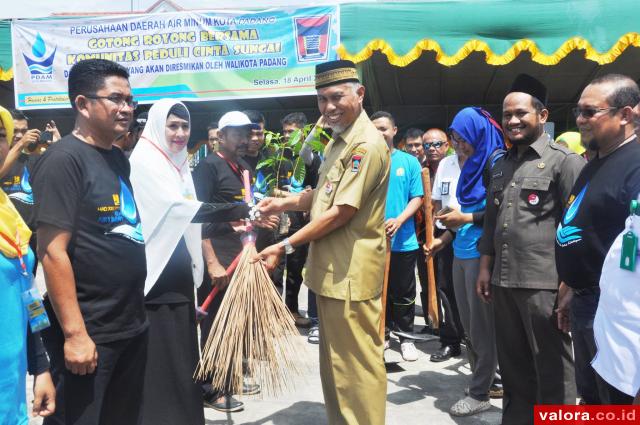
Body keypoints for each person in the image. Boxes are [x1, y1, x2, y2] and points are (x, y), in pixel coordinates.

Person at [254, 59, 390, 425]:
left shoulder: (366, 144)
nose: (328, 107)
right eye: (321, 100)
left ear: (359, 94)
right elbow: (323, 195)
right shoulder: (339, 141)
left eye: (336, 97)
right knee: (335, 367)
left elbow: (340, 212)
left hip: (351, 274)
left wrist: (284, 245)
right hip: (332, 273)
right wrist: (284, 201)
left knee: (357, 368)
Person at [32, 59, 148, 425]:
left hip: (129, 324)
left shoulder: (115, 157)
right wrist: (76, 335)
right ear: (82, 104)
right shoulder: (63, 160)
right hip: (91, 331)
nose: (127, 108)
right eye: (116, 99)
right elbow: (52, 252)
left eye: (130, 100)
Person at [129, 99, 250, 424]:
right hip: (157, 275)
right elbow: (179, 210)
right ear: (156, 126)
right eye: (173, 126)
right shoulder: (145, 161)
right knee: (161, 359)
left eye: (185, 126)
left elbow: (190, 215)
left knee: (183, 358)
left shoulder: (177, 164)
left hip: (181, 272)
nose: (180, 133)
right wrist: (242, 210)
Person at [476, 74, 582, 423]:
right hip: (503, 283)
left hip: (544, 285)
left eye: (521, 113)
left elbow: (576, 226)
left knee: (552, 369)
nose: (513, 121)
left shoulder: (564, 162)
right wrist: (485, 267)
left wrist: (569, 283)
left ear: (543, 115)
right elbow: (491, 222)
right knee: (514, 368)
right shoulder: (500, 163)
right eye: (507, 115)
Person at [556, 74, 640, 405]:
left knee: (618, 403)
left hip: (618, 314)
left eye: (591, 112)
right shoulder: (594, 163)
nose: (580, 119)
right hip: (584, 303)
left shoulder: (635, 167)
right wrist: (568, 290)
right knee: (591, 399)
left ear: (626, 115)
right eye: (578, 110)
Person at [429, 107, 503, 417]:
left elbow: (500, 211)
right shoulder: (471, 164)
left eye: (463, 140)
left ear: (476, 134)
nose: (459, 146)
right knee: (470, 326)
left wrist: (466, 217)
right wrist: (447, 232)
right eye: (455, 140)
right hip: (461, 249)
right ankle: (483, 379)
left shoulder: (495, 161)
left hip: (481, 256)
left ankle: (480, 392)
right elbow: (464, 215)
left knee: (482, 327)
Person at [192, 110, 261, 412]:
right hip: (217, 261)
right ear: (221, 137)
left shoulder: (243, 167)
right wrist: (211, 262)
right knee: (214, 324)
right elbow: (197, 218)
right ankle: (210, 387)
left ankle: (229, 375)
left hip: (241, 257)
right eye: (237, 134)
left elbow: (245, 211)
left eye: (247, 133)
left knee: (235, 320)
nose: (244, 139)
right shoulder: (208, 168)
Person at [0, 105, 56, 423]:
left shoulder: (9, 215)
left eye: (0, 136)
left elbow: (29, 294)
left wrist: (42, 366)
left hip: (11, 395)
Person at [371, 111, 423, 361]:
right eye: (375, 129)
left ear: (394, 130)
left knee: (403, 293)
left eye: (383, 128)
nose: (380, 133)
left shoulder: (408, 162)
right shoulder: (366, 161)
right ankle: (382, 334)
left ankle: (405, 337)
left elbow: (417, 198)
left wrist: (399, 220)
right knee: (376, 291)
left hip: (404, 241)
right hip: (372, 242)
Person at [421, 128, 465, 363]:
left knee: (472, 292)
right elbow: (437, 200)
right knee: (446, 288)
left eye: (437, 144)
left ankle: (475, 342)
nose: (432, 149)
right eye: (427, 145)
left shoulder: (478, 164)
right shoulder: (444, 167)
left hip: (471, 234)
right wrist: (438, 220)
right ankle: (451, 341)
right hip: (444, 234)